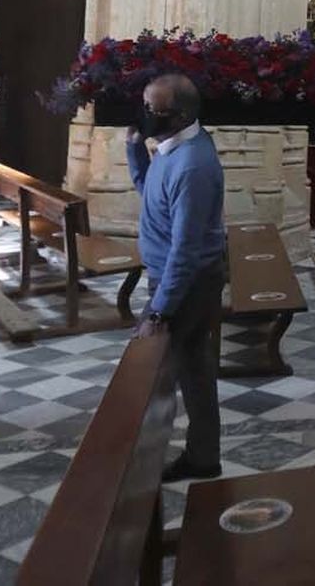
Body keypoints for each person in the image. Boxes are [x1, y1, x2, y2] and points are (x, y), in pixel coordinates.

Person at [126, 73, 226, 483]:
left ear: (180, 114)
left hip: (185, 282)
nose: (146, 114)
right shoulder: (172, 150)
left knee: (153, 369)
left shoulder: (193, 166)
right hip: (174, 276)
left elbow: (185, 250)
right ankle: (203, 457)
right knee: (191, 369)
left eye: (153, 109)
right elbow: (148, 190)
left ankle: (142, 465)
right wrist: (135, 150)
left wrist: (160, 310)